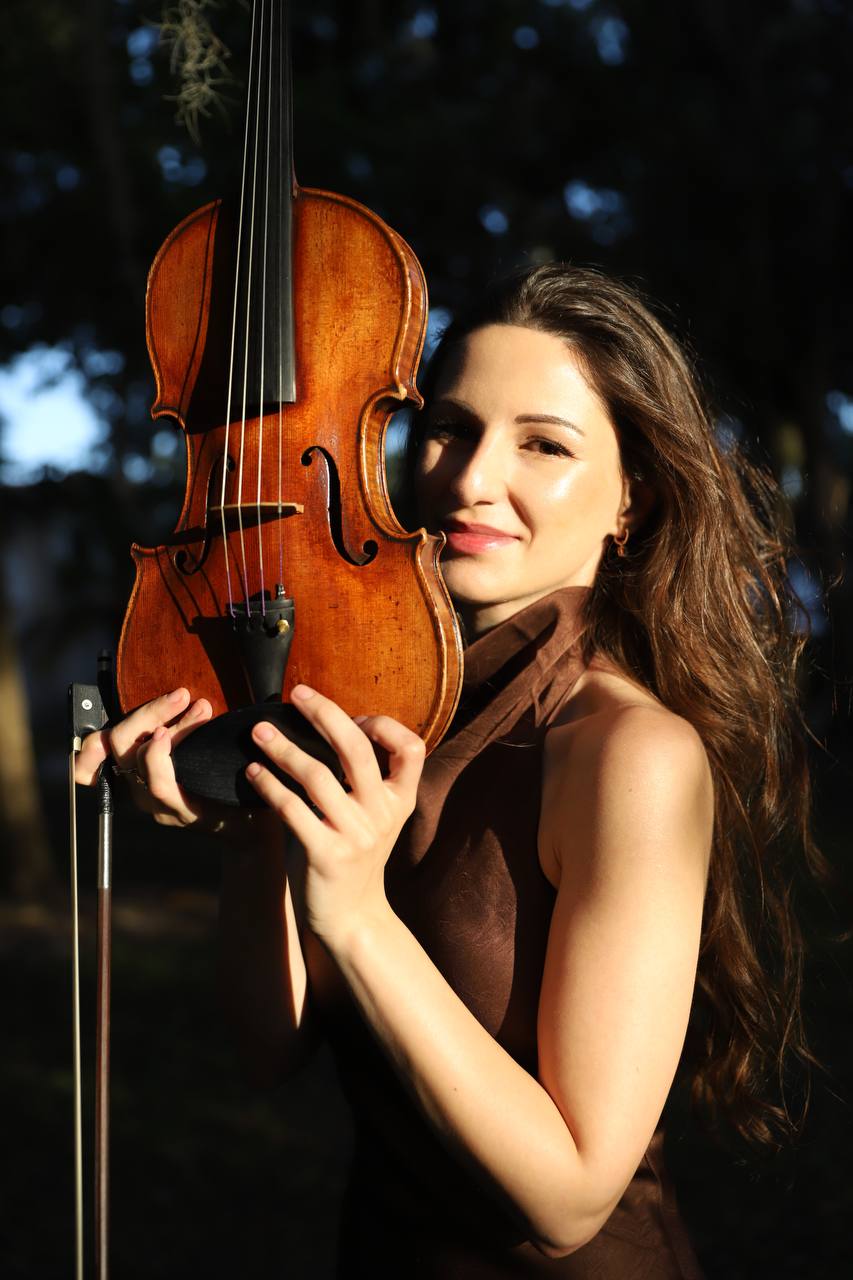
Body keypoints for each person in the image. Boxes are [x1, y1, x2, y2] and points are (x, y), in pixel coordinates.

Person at [75, 264, 816, 1277]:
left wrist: (353, 909)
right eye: (449, 427)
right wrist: (255, 834)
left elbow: (569, 1195)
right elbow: (268, 1046)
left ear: (631, 500)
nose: (470, 479)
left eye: (542, 444)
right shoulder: (385, 712)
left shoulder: (628, 752)